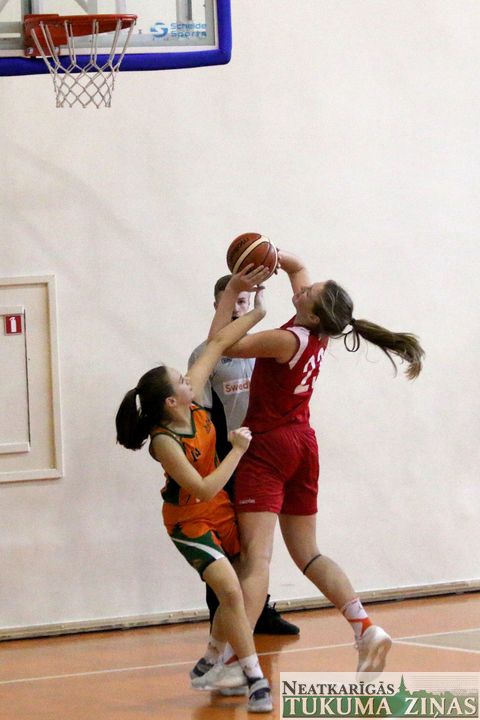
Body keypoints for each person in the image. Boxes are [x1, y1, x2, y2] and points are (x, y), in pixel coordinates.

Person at [208, 248, 425, 678]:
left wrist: (232, 290)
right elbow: (299, 267)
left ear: (311, 312)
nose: (303, 288)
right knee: (308, 553)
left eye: (309, 292)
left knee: (256, 560)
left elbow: (223, 343)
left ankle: (234, 661)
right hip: (303, 444)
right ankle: (364, 626)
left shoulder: (286, 339)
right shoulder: (317, 331)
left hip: (268, 446)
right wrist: (271, 255)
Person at [115, 272, 273, 713]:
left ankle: (209, 659)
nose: (189, 379)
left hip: (218, 507)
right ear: (172, 401)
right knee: (232, 592)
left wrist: (254, 307)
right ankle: (255, 679)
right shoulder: (165, 442)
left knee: (238, 583)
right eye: (180, 381)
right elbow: (202, 487)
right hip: (189, 520)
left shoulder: (195, 399)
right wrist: (237, 450)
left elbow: (216, 344)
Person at [188, 274, 300, 636]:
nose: (239, 308)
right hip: (229, 456)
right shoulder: (207, 355)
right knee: (224, 541)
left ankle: (260, 612)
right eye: (231, 301)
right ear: (218, 305)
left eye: (244, 300)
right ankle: (219, 617)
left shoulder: (266, 346)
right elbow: (202, 416)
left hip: (265, 454)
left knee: (257, 543)